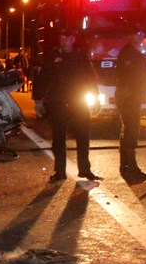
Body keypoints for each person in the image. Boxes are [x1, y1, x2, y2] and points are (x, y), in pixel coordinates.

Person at [32, 29, 100, 182]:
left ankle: (85, 169)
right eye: (61, 38)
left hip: (78, 101)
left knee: (83, 136)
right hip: (59, 102)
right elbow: (42, 78)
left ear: (73, 39)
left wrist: (95, 97)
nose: (64, 41)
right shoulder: (53, 56)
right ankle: (59, 171)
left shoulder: (80, 56)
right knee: (58, 138)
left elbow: (90, 77)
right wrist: (38, 100)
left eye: (67, 38)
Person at [115, 31, 146, 181]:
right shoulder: (128, 53)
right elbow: (132, 76)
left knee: (129, 130)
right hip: (128, 98)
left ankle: (126, 165)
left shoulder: (135, 52)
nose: (140, 37)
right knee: (131, 131)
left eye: (142, 34)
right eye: (137, 34)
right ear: (131, 36)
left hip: (132, 97)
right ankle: (130, 166)